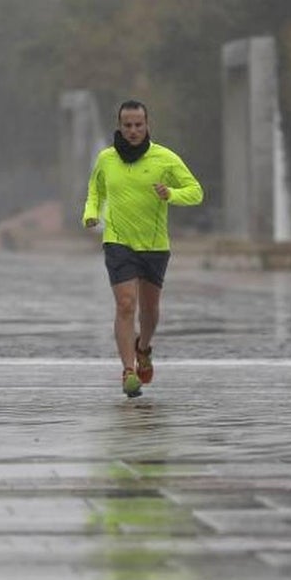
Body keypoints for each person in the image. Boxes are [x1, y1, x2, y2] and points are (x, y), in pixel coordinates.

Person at [83, 100, 203, 397]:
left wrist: (171, 193)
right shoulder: (106, 159)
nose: (133, 131)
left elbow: (196, 192)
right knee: (125, 304)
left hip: (154, 244)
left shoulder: (165, 158)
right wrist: (90, 212)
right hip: (118, 241)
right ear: (119, 127)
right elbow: (95, 190)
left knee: (149, 309)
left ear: (147, 125)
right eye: (127, 125)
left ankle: (144, 347)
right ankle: (127, 371)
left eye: (139, 125)